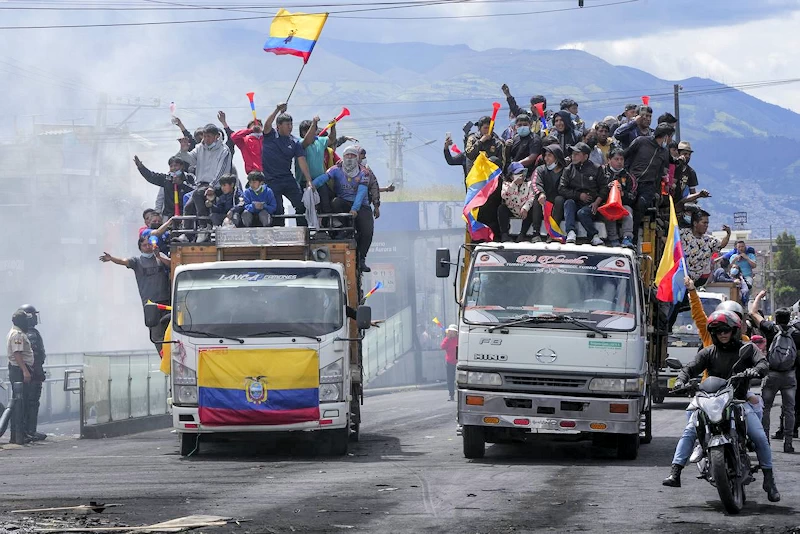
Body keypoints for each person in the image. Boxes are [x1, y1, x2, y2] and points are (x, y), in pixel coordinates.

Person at [662, 310, 780, 502]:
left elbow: (763, 364)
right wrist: (680, 381)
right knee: (690, 429)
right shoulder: (708, 352)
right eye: (718, 331)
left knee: (759, 436)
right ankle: (675, 472)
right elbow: (689, 368)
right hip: (711, 399)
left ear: (734, 330)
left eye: (726, 330)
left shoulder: (748, 349)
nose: (722, 334)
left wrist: (755, 370)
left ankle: (769, 480)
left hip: (738, 401)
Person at [98, 236, 171, 352]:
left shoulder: (160, 257)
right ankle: (164, 359)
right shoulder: (137, 261)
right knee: (156, 335)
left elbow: (172, 265)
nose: (148, 247)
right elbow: (123, 261)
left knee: (171, 333)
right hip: (150, 305)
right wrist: (111, 258)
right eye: (144, 245)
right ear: (140, 248)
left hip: (167, 302)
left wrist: (159, 257)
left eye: (149, 244)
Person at [312, 146, 373, 272]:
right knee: (335, 203)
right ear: (343, 157)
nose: (349, 158)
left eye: (353, 155)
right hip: (343, 202)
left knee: (367, 231)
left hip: (361, 205)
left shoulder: (364, 172)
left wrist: (355, 209)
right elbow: (324, 178)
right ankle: (342, 230)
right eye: (347, 155)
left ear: (357, 158)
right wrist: (311, 185)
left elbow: (361, 193)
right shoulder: (336, 169)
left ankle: (361, 259)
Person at [749, 301, 799, 454]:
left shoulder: (770, 329)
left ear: (776, 319)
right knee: (789, 410)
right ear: (789, 318)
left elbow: (753, 313)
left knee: (766, 409)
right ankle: (788, 443)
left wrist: (759, 296)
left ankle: (765, 442)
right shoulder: (797, 333)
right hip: (790, 375)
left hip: (771, 374)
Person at [261, 102, 312, 227]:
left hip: (287, 178)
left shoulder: (295, 142)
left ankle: (302, 231)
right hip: (271, 180)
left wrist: (309, 180)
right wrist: (277, 109)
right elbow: (267, 125)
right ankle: (279, 235)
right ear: (278, 126)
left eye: (291, 124)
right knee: (278, 209)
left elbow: (301, 160)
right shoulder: (270, 135)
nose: (290, 127)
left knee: (301, 205)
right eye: (287, 124)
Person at [625, 122, 674, 233]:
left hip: (648, 186)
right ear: (666, 136)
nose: (670, 140)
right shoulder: (641, 141)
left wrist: (657, 192)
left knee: (641, 204)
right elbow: (625, 155)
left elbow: (660, 173)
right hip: (632, 181)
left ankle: (634, 233)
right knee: (628, 203)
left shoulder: (664, 152)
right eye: (670, 137)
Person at [558, 142, 603, 246]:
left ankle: (594, 236)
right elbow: (561, 188)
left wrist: (597, 202)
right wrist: (578, 195)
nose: (573, 156)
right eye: (573, 154)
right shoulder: (568, 169)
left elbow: (604, 188)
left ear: (585, 156)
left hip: (591, 204)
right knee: (568, 203)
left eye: (577, 154)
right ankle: (571, 232)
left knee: (582, 213)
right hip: (574, 201)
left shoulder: (596, 168)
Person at [7, 309, 36, 443]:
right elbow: (17, 354)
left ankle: (22, 433)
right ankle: (18, 435)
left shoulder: (18, 333)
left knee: (23, 401)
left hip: (20, 369)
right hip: (19, 370)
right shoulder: (17, 334)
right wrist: (25, 371)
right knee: (20, 402)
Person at [680, 210, 731, 287]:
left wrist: (728, 234)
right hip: (681, 277)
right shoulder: (683, 234)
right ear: (695, 223)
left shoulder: (709, 240)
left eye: (707, 223)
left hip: (697, 281)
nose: (706, 225)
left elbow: (721, 244)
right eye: (704, 223)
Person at [18, 304, 46, 441]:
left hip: (30, 375)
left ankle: (28, 431)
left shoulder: (24, 333)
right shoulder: (31, 335)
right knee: (32, 403)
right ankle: (30, 431)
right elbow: (35, 357)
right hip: (33, 376)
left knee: (29, 403)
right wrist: (37, 373)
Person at [600, 148, 636, 248]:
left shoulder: (628, 176)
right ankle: (613, 238)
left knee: (628, 210)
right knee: (609, 209)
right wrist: (607, 189)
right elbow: (594, 189)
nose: (619, 162)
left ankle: (627, 238)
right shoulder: (602, 172)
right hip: (604, 204)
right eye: (616, 159)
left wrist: (623, 193)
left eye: (621, 159)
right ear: (609, 160)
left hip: (622, 205)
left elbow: (633, 196)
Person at [531, 145, 567, 242]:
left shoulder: (566, 171)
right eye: (545, 155)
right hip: (544, 199)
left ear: (557, 157)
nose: (546, 158)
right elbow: (535, 183)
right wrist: (540, 193)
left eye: (549, 155)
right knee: (536, 199)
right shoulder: (540, 170)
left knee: (559, 200)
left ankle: (552, 233)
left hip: (559, 202)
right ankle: (536, 233)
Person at [497, 162, 535, 242]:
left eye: (522, 173)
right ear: (511, 176)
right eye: (518, 173)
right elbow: (504, 195)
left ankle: (522, 235)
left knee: (533, 209)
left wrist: (525, 208)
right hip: (512, 209)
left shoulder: (529, 184)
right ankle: (504, 234)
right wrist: (514, 184)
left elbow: (532, 197)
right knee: (501, 208)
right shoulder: (506, 185)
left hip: (524, 210)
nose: (521, 176)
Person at [441, 325, 458, 402]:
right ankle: (451, 395)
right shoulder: (447, 339)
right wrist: (447, 338)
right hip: (450, 362)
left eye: (453, 332)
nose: (451, 333)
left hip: (459, 362)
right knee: (450, 379)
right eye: (450, 331)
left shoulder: (459, 339)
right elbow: (442, 346)